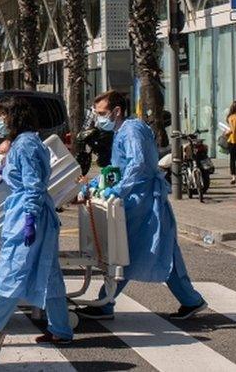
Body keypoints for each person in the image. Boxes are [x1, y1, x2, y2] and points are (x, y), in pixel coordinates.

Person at [75, 90, 206, 321]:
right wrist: (97, 183)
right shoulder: (121, 132)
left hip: (144, 202)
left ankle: (107, 302)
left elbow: (138, 166)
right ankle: (189, 300)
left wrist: (116, 190)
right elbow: (117, 170)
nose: (99, 119)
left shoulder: (132, 130)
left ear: (117, 111)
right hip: (136, 201)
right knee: (136, 250)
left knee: (142, 249)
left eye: (102, 113)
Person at [0, 98, 73, 347]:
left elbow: (33, 186)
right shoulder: (26, 143)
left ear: (13, 118)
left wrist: (29, 218)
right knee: (50, 274)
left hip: (28, 216)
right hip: (34, 214)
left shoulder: (25, 146)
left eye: (1, 116)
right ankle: (61, 328)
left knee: (11, 271)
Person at [226, 101, 236, 186]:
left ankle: (234, 176)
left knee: (232, 159)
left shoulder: (231, 117)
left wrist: (226, 133)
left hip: (232, 140)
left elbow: (232, 129)